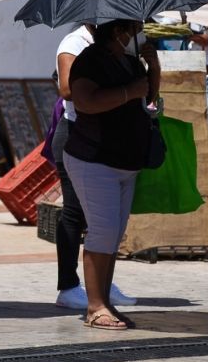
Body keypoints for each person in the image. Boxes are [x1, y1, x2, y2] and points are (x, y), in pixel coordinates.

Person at [63, 19, 160, 330]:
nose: (136, 35)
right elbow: (84, 101)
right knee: (102, 231)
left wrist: (152, 66)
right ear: (118, 32)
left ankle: (105, 300)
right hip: (94, 160)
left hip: (125, 162)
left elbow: (148, 97)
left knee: (113, 234)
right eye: (133, 30)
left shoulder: (130, 62)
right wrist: (127, 91)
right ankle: (95, 307)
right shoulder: (89, 61)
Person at [52, 24, 136, 310]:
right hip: (77, 133)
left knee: (105, 221)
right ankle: (69, 285)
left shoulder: (121, 50)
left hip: (106, 138)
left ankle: (100, 283)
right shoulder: (75, 43)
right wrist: (116, 90)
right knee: (75, 213)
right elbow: (66, 88)